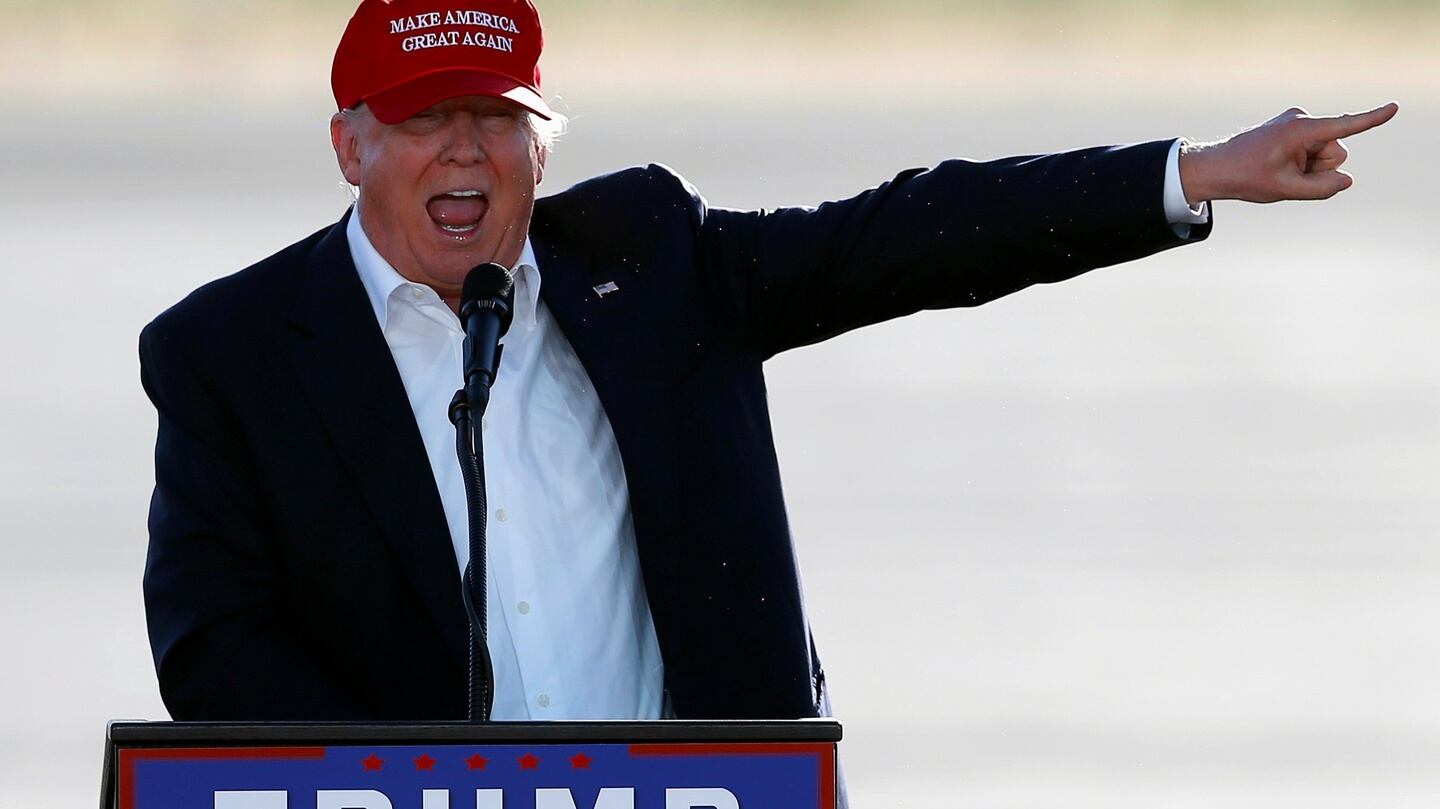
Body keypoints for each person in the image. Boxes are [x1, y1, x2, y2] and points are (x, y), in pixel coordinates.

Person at [138, 0, 1397, 796]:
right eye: (425, 121)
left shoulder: (654, 262)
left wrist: (1190, 173)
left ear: (542, 143)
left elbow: (908, 235)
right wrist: (417, 790)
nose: (466, 151)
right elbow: (214, 648)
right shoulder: (232, 351)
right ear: (351, 144)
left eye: (498, 118)